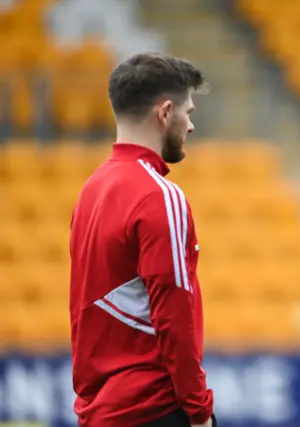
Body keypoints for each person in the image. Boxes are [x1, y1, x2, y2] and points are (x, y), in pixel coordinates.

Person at [69, 52, 216, 427]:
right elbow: (174, 313)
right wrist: (199, 410)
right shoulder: (160, 196)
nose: (191, 126)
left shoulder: (90, 191)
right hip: (152, 407)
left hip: (99, 411)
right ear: (165, 112)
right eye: (189, 113)